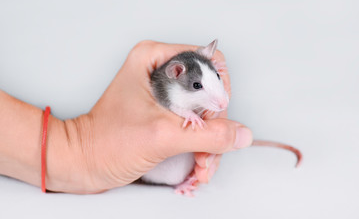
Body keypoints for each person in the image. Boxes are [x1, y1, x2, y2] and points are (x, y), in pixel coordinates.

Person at [0, 40, 253, 194]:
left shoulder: (186, 74)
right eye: (197, 86)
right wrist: (78, 152)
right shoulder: (171, 86)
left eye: (217, 77)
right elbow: (170, 103)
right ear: (176, 72)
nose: (222, 101)